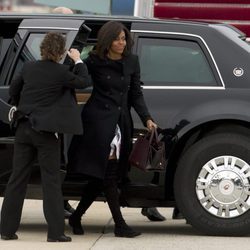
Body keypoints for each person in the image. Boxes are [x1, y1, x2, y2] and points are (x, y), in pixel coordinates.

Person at [67, 21, 157, 238]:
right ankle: (120, 225)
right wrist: (75, 60)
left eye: (124, 38)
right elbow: (77, 78)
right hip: (98, 123)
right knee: (108, 175)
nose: (121, 42)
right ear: (107, 40)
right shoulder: (94, 61)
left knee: (102, 177)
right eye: (117, 38)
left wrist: (147, 118)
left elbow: (135, 93)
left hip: (120, 123)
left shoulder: (132, 61)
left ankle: (76, 216)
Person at [0, 32, 90, 242]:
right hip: (46, 132)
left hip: (23, 128)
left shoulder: (29, 67)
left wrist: (23, 104)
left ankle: (6, 229)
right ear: (60, 52)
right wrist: (77, 59)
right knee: (50, 181)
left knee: (17, 180)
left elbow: (14, 88)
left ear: (42, 49)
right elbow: (84, 82)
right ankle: (55, 232)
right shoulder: (61, 72)